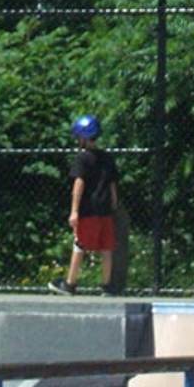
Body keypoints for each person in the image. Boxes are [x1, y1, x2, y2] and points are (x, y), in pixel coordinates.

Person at [48, 115, 120, 296]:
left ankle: (70, 284)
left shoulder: (82, 158)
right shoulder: (107, 158)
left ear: (84, 137)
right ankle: (107, 286)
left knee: (79, 244)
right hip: (105, 210)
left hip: (89, 210)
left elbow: (78, 184)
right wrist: (113, 206)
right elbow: (112, 186)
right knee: (106, 248)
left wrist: (74, 211)